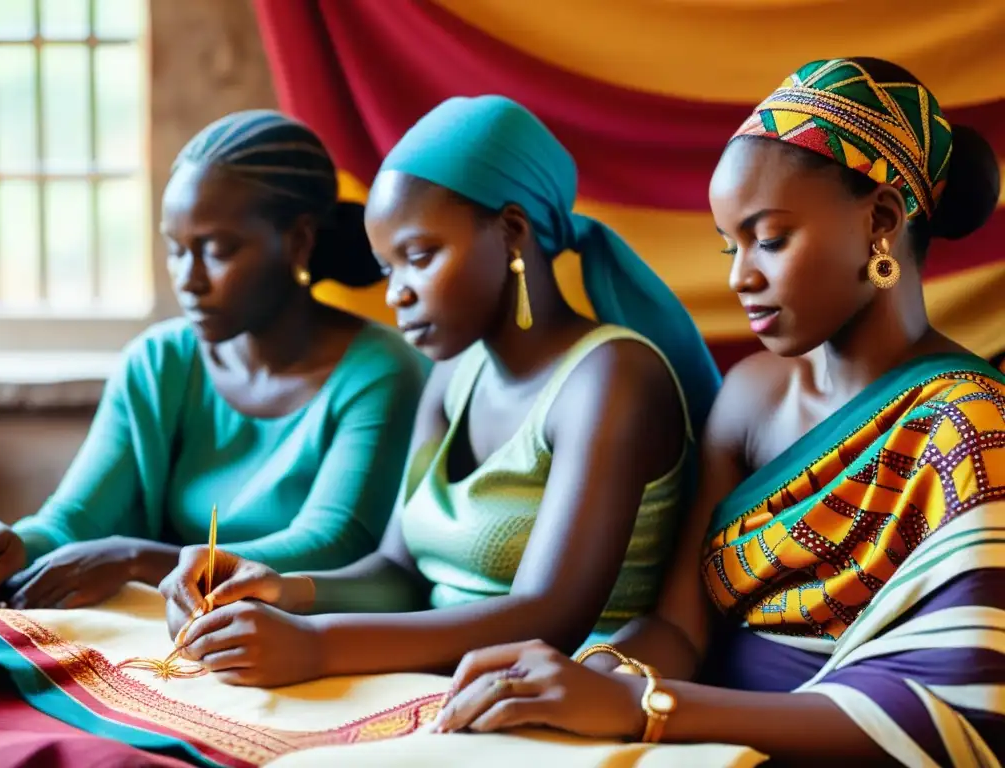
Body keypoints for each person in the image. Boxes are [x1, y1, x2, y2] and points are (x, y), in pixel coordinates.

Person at [431, 59, 1005, 766]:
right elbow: (679, 627)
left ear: (881, 222)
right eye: (729, 247)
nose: (740, 276)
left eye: (769, 239)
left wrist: (644, 709)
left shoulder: (971, 426)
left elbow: (955, 710)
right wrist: (595, 676)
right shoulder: (748, 395)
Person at [157, 95, 721, 687]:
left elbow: (549, 615)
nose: (397, 292)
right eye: (387, 268)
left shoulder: (610, 379)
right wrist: (275, 586)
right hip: (432, 678)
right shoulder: (456, 373)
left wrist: (318, 646)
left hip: (564, 692)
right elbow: (398, 572)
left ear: (511, 232)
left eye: (419, 257)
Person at [0, 110, 428, 611]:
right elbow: (73, 521)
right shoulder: (158, 363)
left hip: (304, 652)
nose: (187, 279)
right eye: (176, 250)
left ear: (299, 241)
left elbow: (331, 544)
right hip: (167, 642)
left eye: (215, 250)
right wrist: (13, 545)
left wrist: (136, 561)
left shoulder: (381, 373)